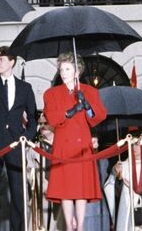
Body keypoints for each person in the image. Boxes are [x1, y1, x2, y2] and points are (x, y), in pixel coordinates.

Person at [43, 53, 106, 231]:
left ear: (77, 71)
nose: (63, 73)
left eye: (68, 69)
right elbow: (52, 118)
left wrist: (87, 107)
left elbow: (98, 117)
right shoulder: (51, 93)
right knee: (66, 189)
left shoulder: (90, 91)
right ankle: (69, 226)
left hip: (82, 146)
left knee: (80, 189)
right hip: (63, 145)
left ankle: (81, 226)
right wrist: (70, 112)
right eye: (61, 69)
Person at [0, 46, 38, 231]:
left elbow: (33, 117)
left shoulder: (25, 87)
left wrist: (27, 137)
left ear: (12, 62)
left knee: (18, 192)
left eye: (1, 59)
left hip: (16, 145)